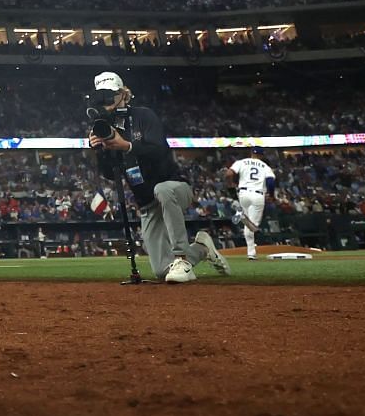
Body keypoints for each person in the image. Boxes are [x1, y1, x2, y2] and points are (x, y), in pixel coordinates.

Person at [87, 72, 228, 284]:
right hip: (147, 202)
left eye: (109, 96)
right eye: (101, 98)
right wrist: (100, 150)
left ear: (123, 95)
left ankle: (181, 257)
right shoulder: (106, 127)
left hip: (174, 187)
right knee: (162, 271)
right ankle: (201, 248)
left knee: (162, 189)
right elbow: (109, 173)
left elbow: (159, 150)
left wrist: (127, 146)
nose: (106, 103)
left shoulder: (144, 116)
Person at [223, 153, 277, 260]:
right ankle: (251, 253)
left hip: (243, 194)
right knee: (253, 225)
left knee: (248, 226)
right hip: (257, 195)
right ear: (262, 155)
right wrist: (271, 195)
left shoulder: (242, 162)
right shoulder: (265, 166)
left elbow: (228, 174)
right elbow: (270, 182)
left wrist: (231, 184)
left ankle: (251, 253)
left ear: (252, 154)